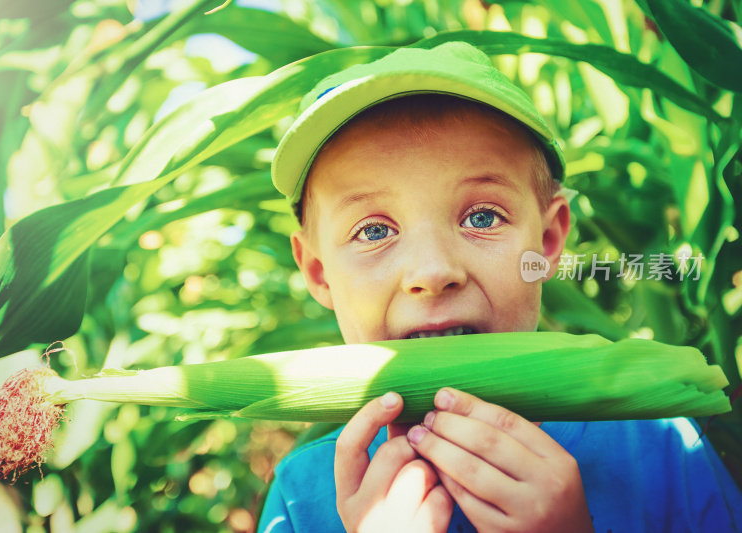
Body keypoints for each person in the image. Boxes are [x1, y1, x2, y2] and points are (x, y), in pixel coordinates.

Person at [257, 41, 742, 532]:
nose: (432, 271)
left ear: (548, 241)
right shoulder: (299, 500)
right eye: (374, 231)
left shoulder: (660, 447)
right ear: (319, 273)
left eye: (482, 217)